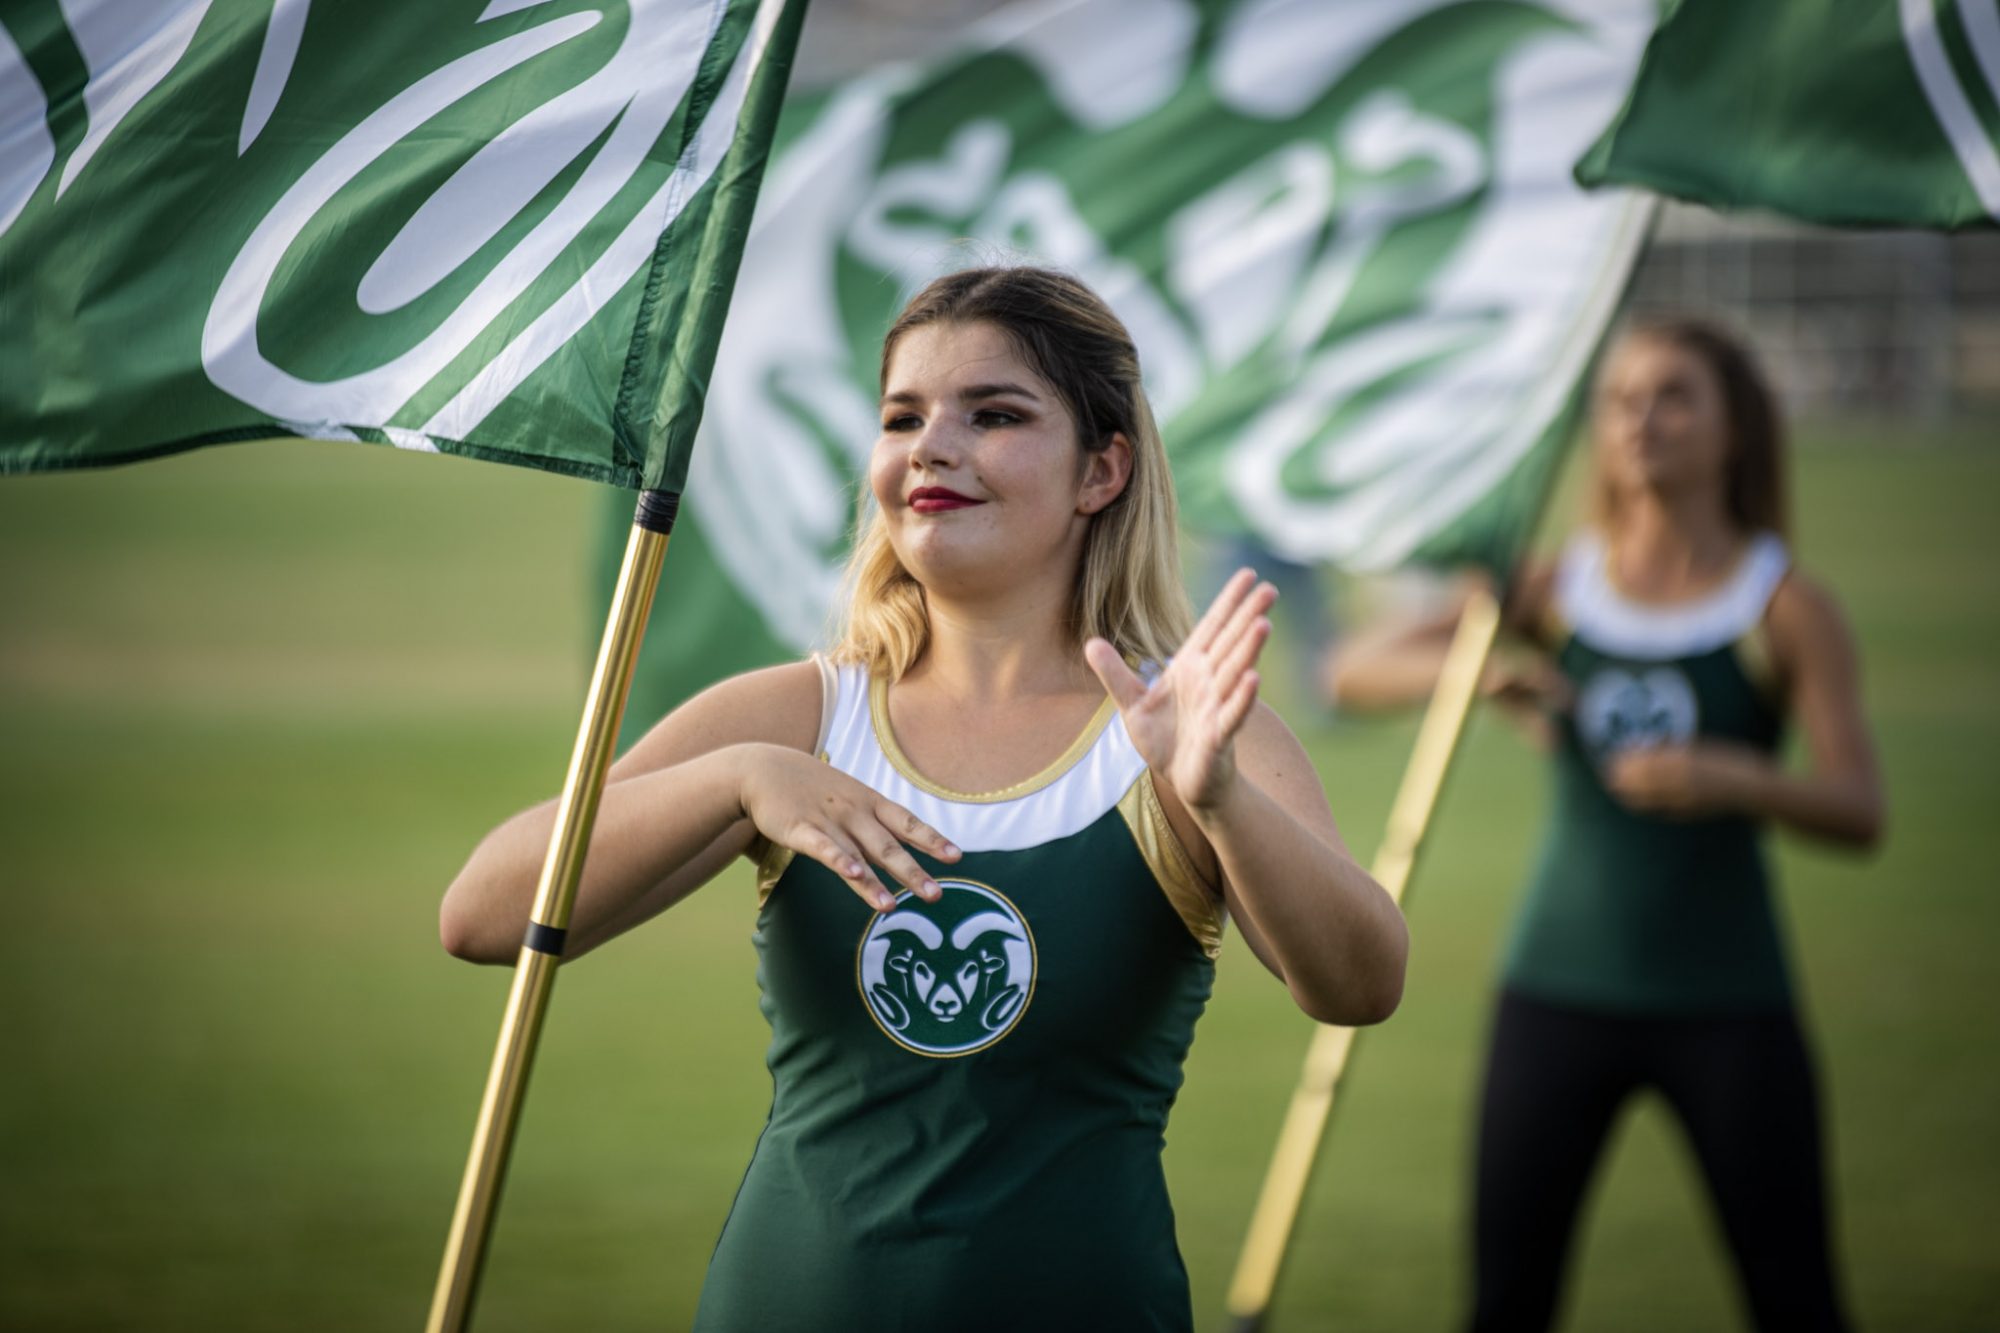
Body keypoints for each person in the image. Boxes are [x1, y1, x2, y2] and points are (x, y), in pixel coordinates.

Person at [440, 266, 1409, 1331]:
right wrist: (737, 778)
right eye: (902, 417)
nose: (931, 447)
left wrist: (1220, 797)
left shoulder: (1186, 727)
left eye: (993, 414)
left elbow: (1360, 984)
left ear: (1102, 469)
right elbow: (482, 915)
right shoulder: (795, 718)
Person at [1330, 317, 1883, 1332]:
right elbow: (1349, 672)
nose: (1640, 419)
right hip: (1552, 992)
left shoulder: (1784, 605)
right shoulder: (1551, 589)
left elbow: (1859, 809)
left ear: (1734, 427)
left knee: (1795, 1296)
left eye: (1673, 395)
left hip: (1728, 998)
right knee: (1506, 1301)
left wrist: (1736, 777)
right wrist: (1480, 670)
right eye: (1621, 398)